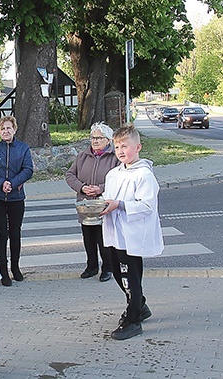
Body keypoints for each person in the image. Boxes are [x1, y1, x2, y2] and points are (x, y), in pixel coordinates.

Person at [100, 125, 163, 340]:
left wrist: (120, 205)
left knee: (130, 276)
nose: (120, 151)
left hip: (132, 236)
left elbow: (147, 205)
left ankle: (134, 319)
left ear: (138, 147)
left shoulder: (144, 174)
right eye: (117, 146)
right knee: (118, 273)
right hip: (114, 232)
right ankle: (140, 305)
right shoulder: (113, 174)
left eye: (124, 146)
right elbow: (109, 198)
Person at [65, 122, 119, 282]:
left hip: (103, 204)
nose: (95, 141)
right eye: (93, 138)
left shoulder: (114, 158)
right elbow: (69, 175)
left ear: (108, 140)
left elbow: (118, 179)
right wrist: (82, 188)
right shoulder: (82, 156)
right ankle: (91, 266)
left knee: (103, 239)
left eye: (99, 138)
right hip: (85, 204)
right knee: (88, 237)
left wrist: (100, 188)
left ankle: (107, 268)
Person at [0, 116, 34, 286]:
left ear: (14, 129)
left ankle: (15, 267)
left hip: (16, 198)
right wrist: (1, 183)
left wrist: (12, 184)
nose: (6, 131)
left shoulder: (23, 148)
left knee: (15, 233)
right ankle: (3, 270)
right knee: (1, 233)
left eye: (8, 128)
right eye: (2, 129)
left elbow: (28, 170)